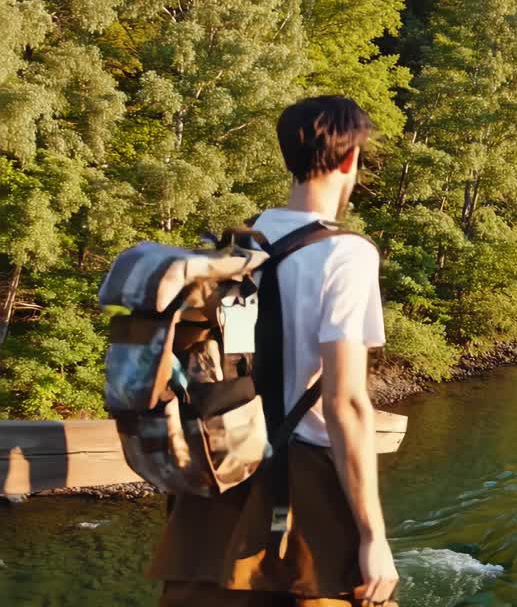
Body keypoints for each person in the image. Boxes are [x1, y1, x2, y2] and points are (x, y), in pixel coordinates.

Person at [149, 96, 400, 606]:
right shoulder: (346, 253)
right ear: (350, 160)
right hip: (300, 491)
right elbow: (345, 403)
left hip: (223, 474)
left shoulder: (238, 248)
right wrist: (374, 535)